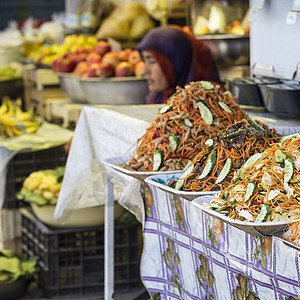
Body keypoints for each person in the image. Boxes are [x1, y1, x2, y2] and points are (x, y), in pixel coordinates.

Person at [137, 25, 221, 104]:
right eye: (144, 61)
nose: (146, 71)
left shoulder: (210, 97)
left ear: (177, 61)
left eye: (152, 61)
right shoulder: (158, 97)